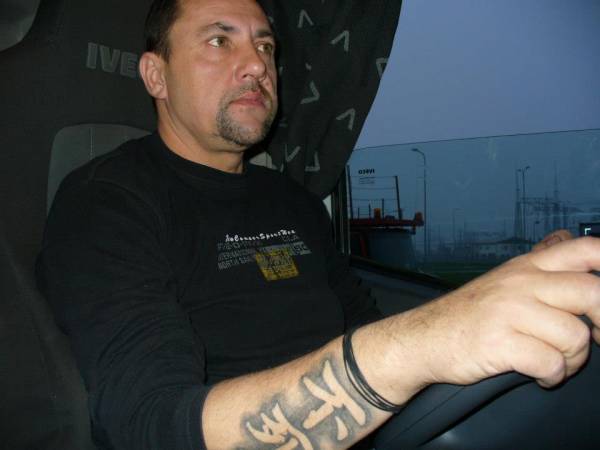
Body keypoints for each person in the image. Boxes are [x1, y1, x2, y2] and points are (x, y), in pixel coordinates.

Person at [36, 0, 600, 449]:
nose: (257, 64)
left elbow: (368, 324)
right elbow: (149, 425)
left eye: (264, 45)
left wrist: (498, 292)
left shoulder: (293, 201)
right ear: (156, 75)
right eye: (219, 40)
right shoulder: (107, 201)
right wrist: (425, 342)